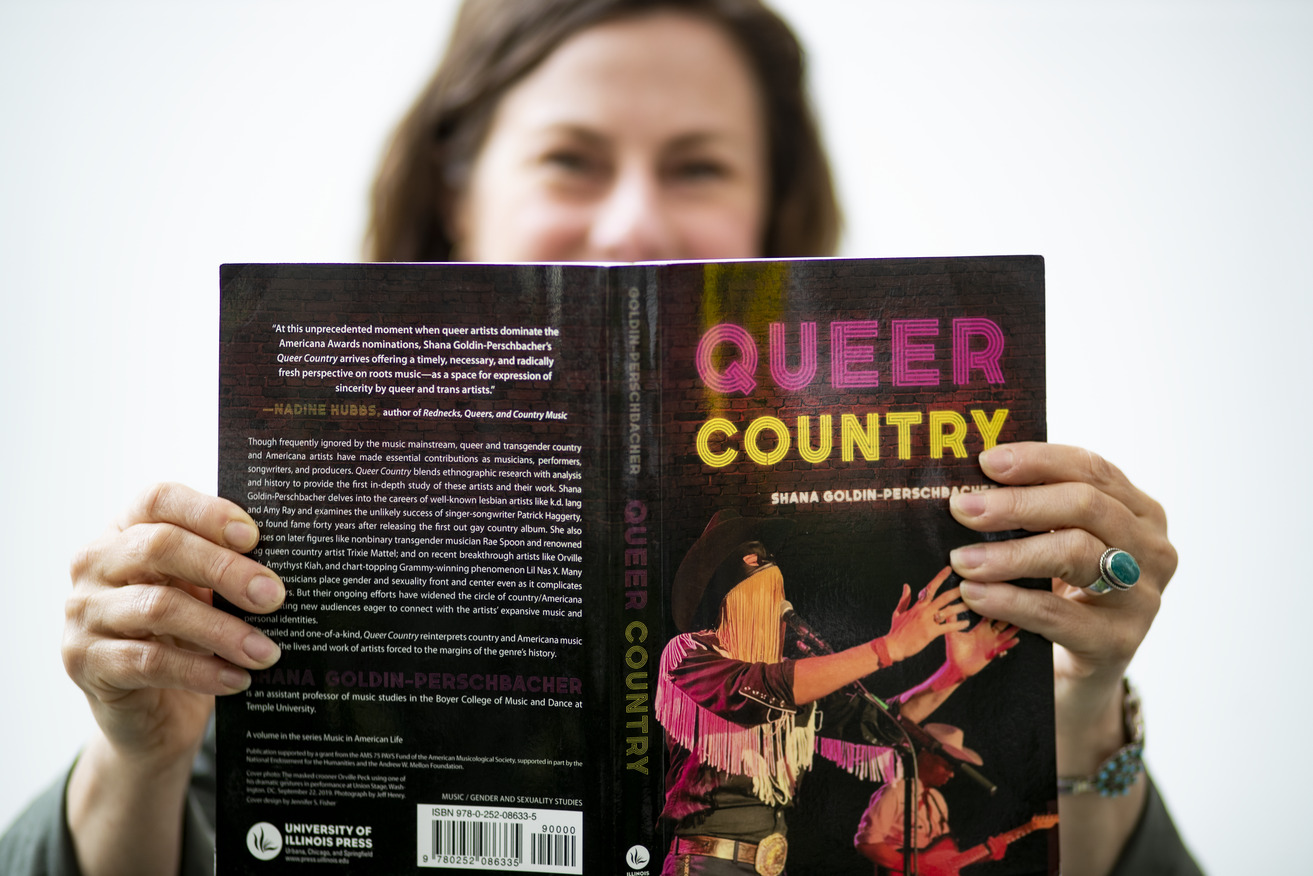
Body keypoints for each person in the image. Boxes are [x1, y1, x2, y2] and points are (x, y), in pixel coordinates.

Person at [0, 1, 1198, 875]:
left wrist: (1077, 700)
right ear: (454, 197)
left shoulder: (852, 579)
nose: (629, 220)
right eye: (570, 158)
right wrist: (138, 758)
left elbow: (866, 745)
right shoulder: (299, 548)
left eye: (696, 166)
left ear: (770, 220)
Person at [656, 512, 1018, 875]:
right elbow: (758, 688)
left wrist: (951, 674)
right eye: (764, 595)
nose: (779, 606)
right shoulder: (687, 653)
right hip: (707, 863)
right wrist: (886, 648)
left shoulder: (795, 675)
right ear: (730, 602)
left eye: (778, 593)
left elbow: (876, 719)